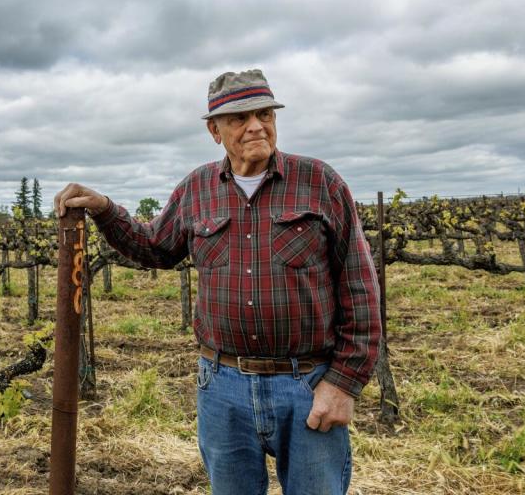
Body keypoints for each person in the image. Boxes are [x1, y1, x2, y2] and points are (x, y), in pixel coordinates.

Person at [54, 69, 381, 495]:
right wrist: (103, 209)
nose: (255, 127)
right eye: (239, 119)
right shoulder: (197, 189)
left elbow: (359, 287)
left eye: (264, 114)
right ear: (214, 130)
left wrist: (343, 383)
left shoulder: (320, 183)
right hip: (223, 386)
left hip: (308, 383)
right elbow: (154, 246)